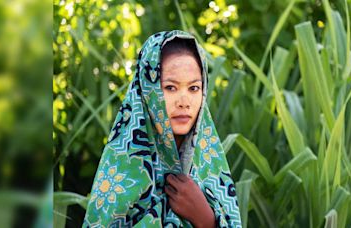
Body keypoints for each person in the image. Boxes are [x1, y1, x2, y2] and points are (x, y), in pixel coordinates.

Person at [83, 30, 241, 227]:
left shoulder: (210, 165)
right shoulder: (120, 172)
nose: (184, 102)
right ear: (149, 91)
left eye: (193, 88)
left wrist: (206, 219)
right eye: (170, 87)